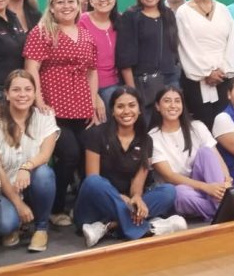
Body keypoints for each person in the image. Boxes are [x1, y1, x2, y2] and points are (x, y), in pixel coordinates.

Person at [23, 0, 105, 227]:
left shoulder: (86, 34)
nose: (67, 6)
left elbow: (92, 72)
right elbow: (31, 68)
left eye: (71, 1)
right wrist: (38, 101)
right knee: (68, 155)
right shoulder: (42, 32)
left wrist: (92, 103)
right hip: (53, 108)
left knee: (86, 157)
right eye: (60, 2)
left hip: (81, 107)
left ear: (79, 5)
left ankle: (82, 207)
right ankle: (54, 208)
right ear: (51, 6)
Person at [75, 87, 181, 247]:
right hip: (94, 208)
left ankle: (109, 226)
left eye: (132, 105)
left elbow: (137, 185)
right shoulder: (96, 134)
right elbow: (92, 178)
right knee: (94, 182)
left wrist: (137, 197)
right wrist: (122, 199)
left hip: (128, 203)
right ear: (112, 111)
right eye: (120, 106)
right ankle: (146, 229)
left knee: (168, 191)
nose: (126, 111)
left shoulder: (146, 140)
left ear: (139, 110)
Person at [0, 70, 59, 253]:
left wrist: (26, 167)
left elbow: (45, 155)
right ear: (6, 94)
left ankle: (41, 228)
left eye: (28, 89)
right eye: (16, 90)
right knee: (6, 225)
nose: (22, 94)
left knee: (44, 173)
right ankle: (17, 220)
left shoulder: (45, 117)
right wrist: (18, 203)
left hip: (32, 183)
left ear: (34, 93)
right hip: (3, 188)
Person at [148, 86, 232, 221]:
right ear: (158, 106)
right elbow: (169, 176)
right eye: (167, 101)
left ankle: (220, 204)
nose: (173, 105)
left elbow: (216, 158)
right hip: (181, 191)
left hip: (207, 186)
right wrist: (206, 188)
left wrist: (227, 180)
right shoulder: (152, 138)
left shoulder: (197, 127)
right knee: (180, 192)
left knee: (205, 152)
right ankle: (223, 209)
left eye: (177, 101)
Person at [175, 0, 234, 127]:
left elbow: (232, 42)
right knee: (203, 126)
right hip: (196, 80)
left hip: (223, 78)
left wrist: (223, 70)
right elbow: (186, 47)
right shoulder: (183, 12)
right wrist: (206, 72)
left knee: (226, 125)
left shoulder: (223, 10)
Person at [116, 0, 180, 102]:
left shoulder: (168, 14)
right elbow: (124, 60)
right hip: (143, 85)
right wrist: (132, 92)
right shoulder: (130, 17)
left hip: (170, 81)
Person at [80, 0, 121, 105]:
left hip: (117, 82)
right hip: (89, 85)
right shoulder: (81, 21)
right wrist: (94, 95)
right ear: (91, 1)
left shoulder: (120, 20)